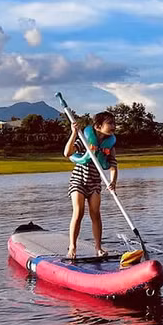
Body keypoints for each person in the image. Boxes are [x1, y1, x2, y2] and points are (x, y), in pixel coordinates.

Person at [63, 111, 118, 259]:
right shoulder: (86, 140)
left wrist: (113, 182)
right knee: (79, 212)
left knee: (95, 214)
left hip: (94, 182)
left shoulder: (110, 144)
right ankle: (72, 247)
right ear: (98, 126)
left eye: (114, 123)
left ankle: (98, 248)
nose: (113, 126)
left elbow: (113, 166)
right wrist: (74, 132)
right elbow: (67, 152)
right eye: (110, 123)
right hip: (78, 180)